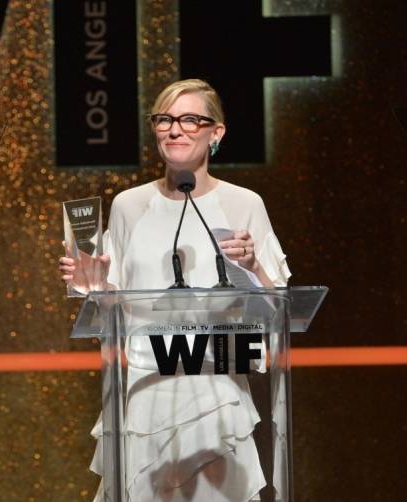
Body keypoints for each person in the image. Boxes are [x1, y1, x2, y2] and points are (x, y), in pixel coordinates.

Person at [59, 79, 291, 501]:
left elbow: (278, 307)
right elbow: (115, 301)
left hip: (216, 396)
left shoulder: (245, 203)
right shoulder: (128, 205)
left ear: (215, 132)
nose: (174, 129)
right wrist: (89, 284)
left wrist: (253, 265)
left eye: (189, 119)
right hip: (146, 391)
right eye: (164, 119)